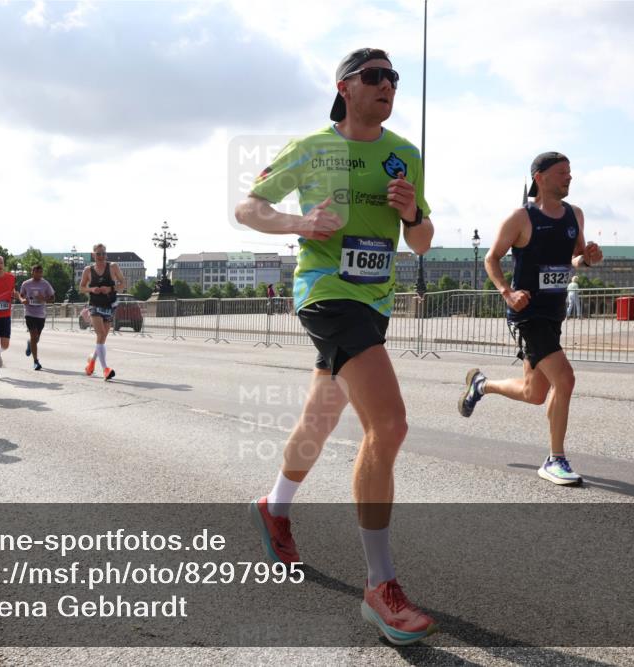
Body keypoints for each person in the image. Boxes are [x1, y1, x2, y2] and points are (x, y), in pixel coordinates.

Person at [235, 47, 439, 644]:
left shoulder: (406, 154)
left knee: (320, 419)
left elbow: (424, 241)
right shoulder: (312, 149)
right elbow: (248, 208)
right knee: (390, 425)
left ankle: (274, 506)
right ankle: (380, 586)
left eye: (393, 79)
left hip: (375, 303)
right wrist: (301, 225)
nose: (387, 86)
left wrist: (412, 213)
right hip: (326, 292)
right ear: (345, 87)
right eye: (374, 77)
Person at [458, 152, 603, 486]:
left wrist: (589, 258)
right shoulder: (521, 217)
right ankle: (556, 458)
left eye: (570, 172)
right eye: (562, 173)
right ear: (540, 177)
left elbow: (575, 259)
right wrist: (507, 292)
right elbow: (491, 259)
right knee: (564, 380)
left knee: (535, 392)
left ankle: (482, 384)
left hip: (554, 313)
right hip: (527, 315)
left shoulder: (574, 215)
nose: (569, 178)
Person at [79, 243, 125, 381]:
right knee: (101, 333)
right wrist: (92, 290)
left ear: (106, 254)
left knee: (103, 337)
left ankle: (91, 362)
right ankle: (105, 369)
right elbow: (81, 288)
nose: (101, 256)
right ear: (93, 254)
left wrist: (110, 289)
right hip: (94, 305)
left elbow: (123, 285)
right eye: (98, 254)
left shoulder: (113, 267)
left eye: (103, 253)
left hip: (109, 305)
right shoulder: (88, 270)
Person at [19, 264, 55, 370]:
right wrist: (23, 300)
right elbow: (21, 295)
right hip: (29, 313)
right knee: (34, 336)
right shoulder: (26, 284)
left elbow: (53, 298)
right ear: (32, 272)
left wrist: (43, 298)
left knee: (36, 338)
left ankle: (30, 343)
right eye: (37, 272)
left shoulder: (45, 284)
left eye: (41, 272)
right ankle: (36, 361)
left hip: (41, 314)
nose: (39, 274)